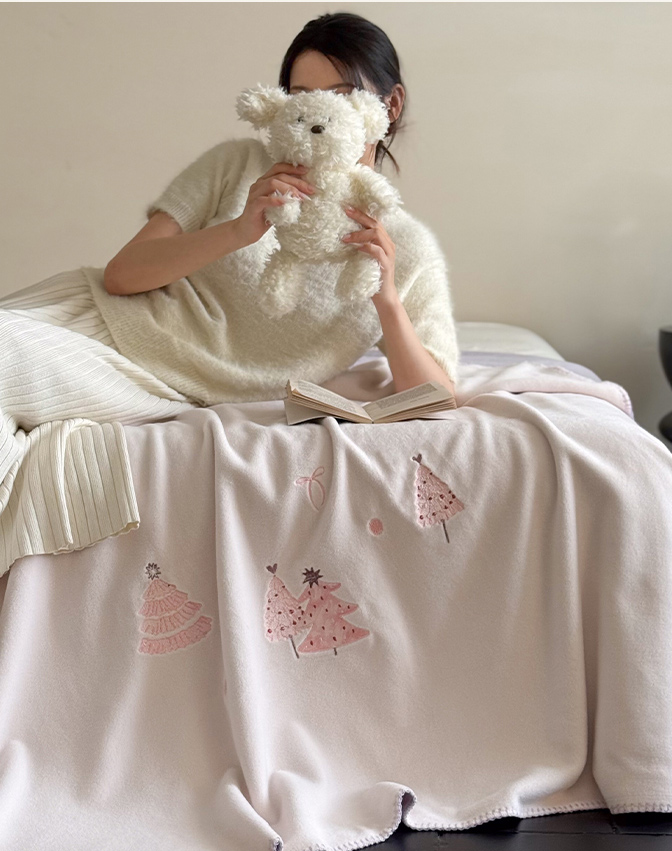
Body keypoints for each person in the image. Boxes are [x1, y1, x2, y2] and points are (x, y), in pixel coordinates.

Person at [0, 11, 459, 572]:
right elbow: (122, 275)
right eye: (301, 97)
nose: (319, 114)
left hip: (162, 387)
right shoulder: (236, 166)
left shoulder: (406, 247)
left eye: (341, 95)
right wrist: (241, 229)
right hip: (97, 323)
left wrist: (385, 298)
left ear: (388, 106)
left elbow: (435, 395)